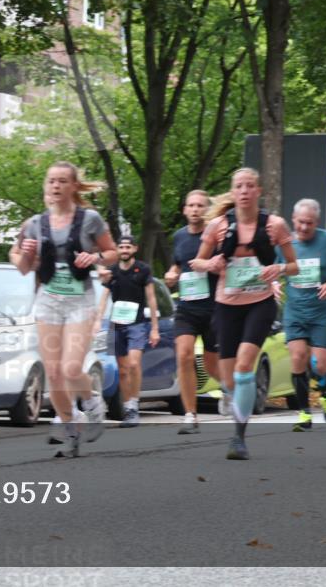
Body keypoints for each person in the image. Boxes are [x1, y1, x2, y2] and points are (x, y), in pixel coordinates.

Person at [10, 162, 118, 456]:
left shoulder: (90, 219)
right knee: (54, 373)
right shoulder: (34, 224)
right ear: (45, 187)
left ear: (72, 187)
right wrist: (26, 254)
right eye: (50, 181)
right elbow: (20, 264)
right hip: (48, 300)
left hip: (79, 301)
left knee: (72, 368)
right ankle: (71, 430)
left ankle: (93, 402)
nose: (55, 186)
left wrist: (94, 258)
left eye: (61, 181)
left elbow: (112, 253)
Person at [191, 169, 297, 460]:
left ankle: (238, 437)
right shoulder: (218, 226)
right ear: (233, 192)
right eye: (240, 186)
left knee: (244, 367)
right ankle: (235, 399)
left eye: (251, 186)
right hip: (226, 306)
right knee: (228, 380)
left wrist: (279, 269)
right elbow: (196, 262)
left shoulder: (274, 225)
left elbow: (294, 266)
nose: (245, 191)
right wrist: (209, 264)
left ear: (258, 191)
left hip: (260, 304)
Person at [277, 198, 326, 431]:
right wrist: (274, 284)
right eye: (301, 222)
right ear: (293, 220)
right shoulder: (284, 244)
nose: (304, 227)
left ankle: (325, 394)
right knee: (298, 358)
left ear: (317, 222)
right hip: (295, 311)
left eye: (309, 223)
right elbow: (273, 268)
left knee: (320, 365)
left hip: (322, 312)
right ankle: (304, 413)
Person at [164, 190, 225, 434]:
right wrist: (171, 275)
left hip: (213, 308)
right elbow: (177, 264)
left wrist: (211, 265)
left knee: (211, 364)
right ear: (184, 210)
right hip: (187, 308)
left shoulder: (216, 235)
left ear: (207, 209)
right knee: (184, 356)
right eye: (191, 205)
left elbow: (226, 265)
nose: (195, 209)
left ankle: (231, 389)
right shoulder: (179, 236)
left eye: (200, 205)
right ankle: (190, 414)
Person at [96, 235, 160, 428]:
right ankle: (128, 408)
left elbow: (151, 298)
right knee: (122, 370)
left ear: (135, 249)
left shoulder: (143, 270)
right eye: (121, 247)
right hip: (117, 324)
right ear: (117, 250)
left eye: (128, 247)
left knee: (133, 364)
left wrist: (155, 328)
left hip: (137, 324)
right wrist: (97, 321)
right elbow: (104, 297)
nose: (124, 250)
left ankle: (134, 404)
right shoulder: (112, 271)